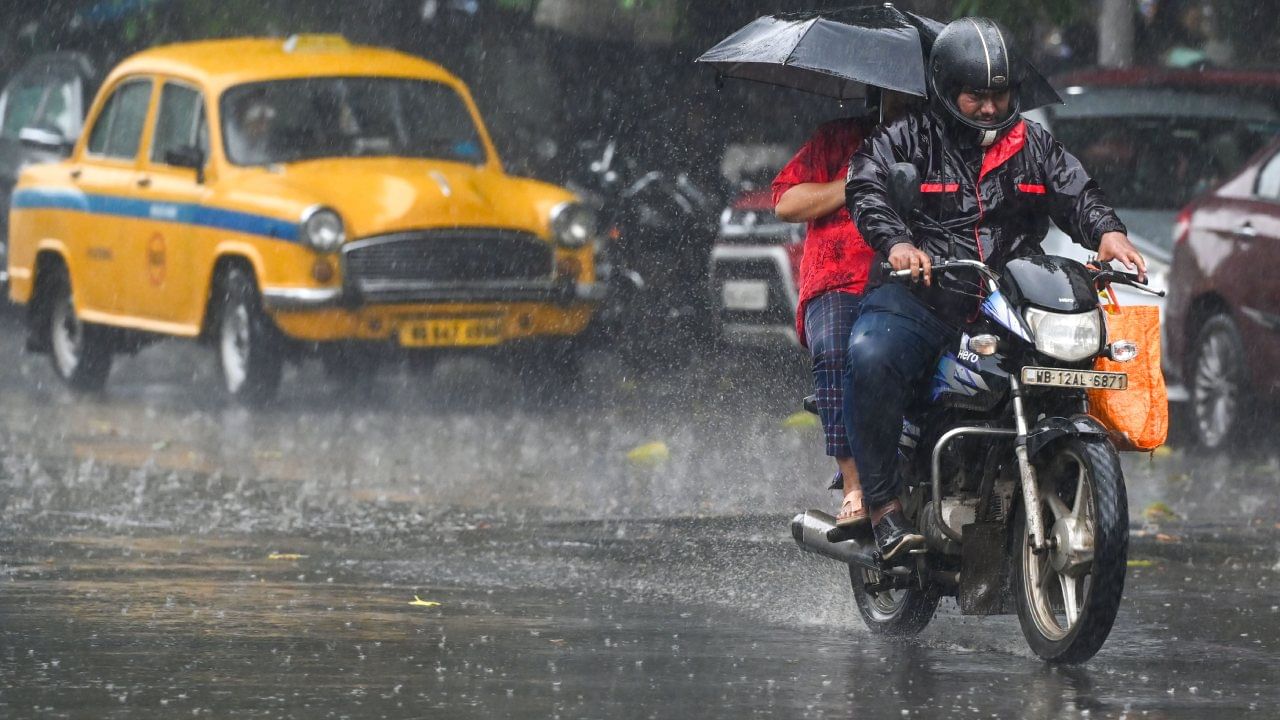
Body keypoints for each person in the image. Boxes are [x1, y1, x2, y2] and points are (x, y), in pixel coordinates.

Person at [842, 18, 1147, 562]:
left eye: (999, 94)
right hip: (920, 294)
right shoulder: (908, 137)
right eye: (975, 95)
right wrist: (897, 245)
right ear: (944, 89)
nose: (988, 107)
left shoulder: (1033, 144)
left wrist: (1108, 233)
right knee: (871, 355)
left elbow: (1077, 192)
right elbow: (866, 184)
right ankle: (884, 507)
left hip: (1005, 302)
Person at [772, 90, 915, 530]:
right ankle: (855, 485)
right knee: (838, 349)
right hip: (837, 282)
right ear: (878, 95)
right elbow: (785, 202)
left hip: (911, 279)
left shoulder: (937, 144)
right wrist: (853, 183)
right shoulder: (836, 139)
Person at [225, 91, 277, 165]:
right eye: (258, 122)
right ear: (243, 120)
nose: (264, 129)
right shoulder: (227, 142)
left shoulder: (271, 144)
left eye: (267, 123)